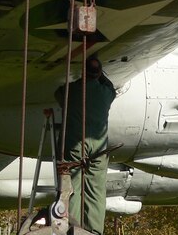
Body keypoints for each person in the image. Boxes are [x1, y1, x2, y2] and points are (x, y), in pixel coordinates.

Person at [55, 57, 117, 235]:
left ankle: (71, 227)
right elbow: (111, 87)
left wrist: (81, 80)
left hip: (75, 145)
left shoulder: (71, 90)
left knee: (72, 188)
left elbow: (58, 94)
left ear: (83, 72)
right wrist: (101, 77)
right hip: (99, 150)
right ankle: (94, 231)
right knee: (96, 191)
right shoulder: (106, 93)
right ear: (98, 74)